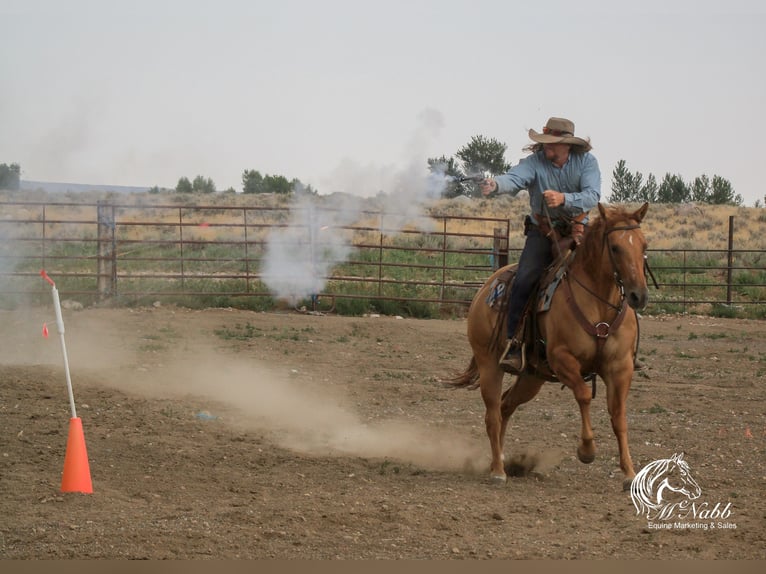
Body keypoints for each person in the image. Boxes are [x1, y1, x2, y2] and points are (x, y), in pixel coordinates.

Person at [479, 117, 601, 374]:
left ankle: (620, 344)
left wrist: (563, 199)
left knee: (614, 273)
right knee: (525, 279)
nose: (547, 147)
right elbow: (514, 178)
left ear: (567, 145)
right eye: (545, 142)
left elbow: (592, 196)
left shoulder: (587, 163)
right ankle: (514, 342)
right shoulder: (534, 163)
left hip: (580, 232)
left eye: (553, 143)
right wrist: (495, 183)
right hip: (543, 233)